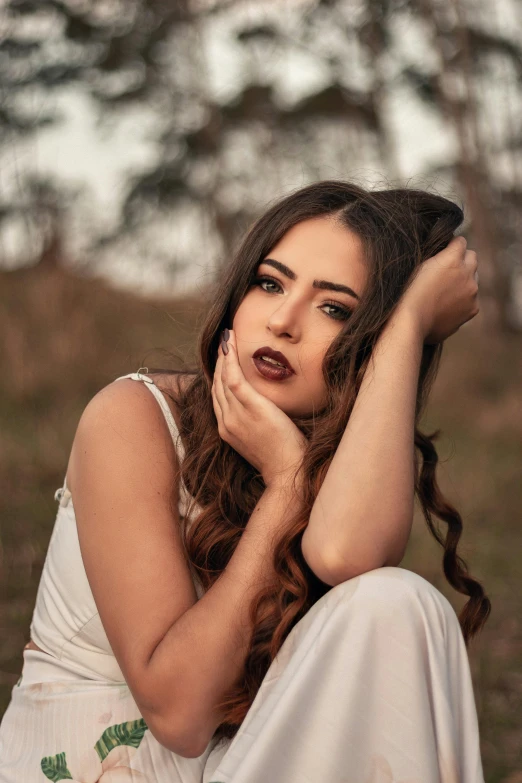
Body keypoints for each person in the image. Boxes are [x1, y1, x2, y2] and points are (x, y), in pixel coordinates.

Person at [0, 180, 490, 783]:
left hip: (242, 766)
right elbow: (179, 715)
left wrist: (408, 321)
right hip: (91, 767)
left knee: (403, 604)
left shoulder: (350, 474)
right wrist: (285, 491)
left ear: (372, 348)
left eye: (334, 308)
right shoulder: (134, 417)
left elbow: (344, 554)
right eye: (270, 282)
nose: (283, 321)